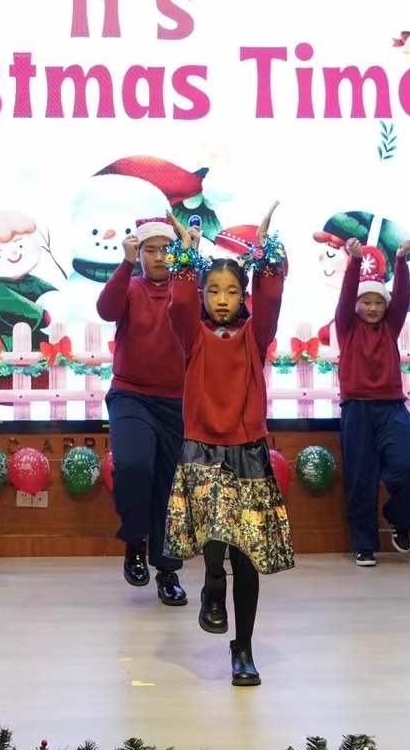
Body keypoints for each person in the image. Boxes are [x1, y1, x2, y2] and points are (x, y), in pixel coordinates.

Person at [163, 206, 291, 687]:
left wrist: (266, 254)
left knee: (246, 555)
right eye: (213, 290)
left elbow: (271, 297)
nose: (222, 299)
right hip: (202, 447)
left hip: (247, 448)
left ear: (244, 296)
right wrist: (185, 254)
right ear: (202, 294)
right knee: (216, 537)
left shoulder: (255, 336)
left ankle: (244, 649)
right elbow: (178, 302)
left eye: (232, 291)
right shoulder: (192, 334)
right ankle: (212, 581)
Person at [97, 216, 192, 605]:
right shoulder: (132, 287)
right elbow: (106, 309)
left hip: (177, 401)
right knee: (134, 466)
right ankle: (135, 540)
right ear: (139, 254)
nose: (158, 257)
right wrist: (124, 264)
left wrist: (190, 260)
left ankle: (167, 571)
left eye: (166, 249)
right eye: (150, 250)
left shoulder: (185, 290)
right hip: (130, 395)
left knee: (171, 487)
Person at [333, 236, 410, 567]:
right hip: (356, 409)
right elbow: (345, 297)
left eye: (378, 303)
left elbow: (403, 298)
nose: (372, 308)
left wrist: (401, 260)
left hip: (392, 408)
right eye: (366, 302)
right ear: (356, 306)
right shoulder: (346, 327)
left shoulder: (390, 326)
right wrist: (355, 260)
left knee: (407, 468)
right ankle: (364, 544)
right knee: (360, 479)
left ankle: (400, 522)